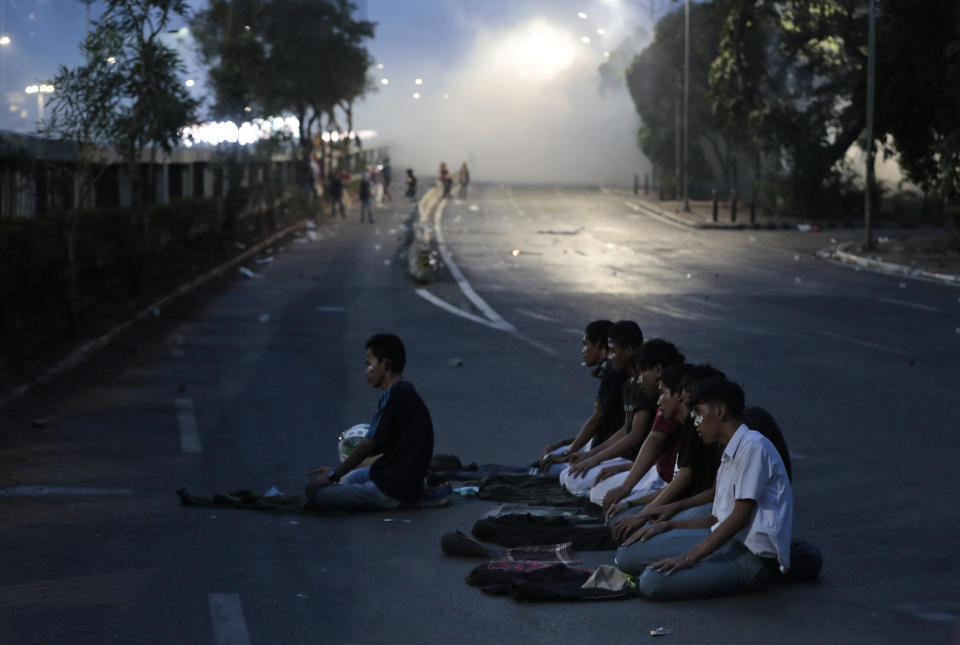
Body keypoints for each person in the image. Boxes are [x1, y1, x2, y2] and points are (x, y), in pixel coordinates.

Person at [613, 378, 793, 600]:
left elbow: (739, 518)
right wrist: (668, 526)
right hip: (726, 540)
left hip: (751, 558)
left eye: (698, 412)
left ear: (719, 411)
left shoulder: (753, 447)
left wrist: (687, 558)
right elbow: (717, 518)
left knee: (652, 581)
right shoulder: (729, 451)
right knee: (627, 556)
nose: (695, 421)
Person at [305, 334, 436, 511]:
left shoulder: (394, 395)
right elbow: (384, 452)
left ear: (385, 364)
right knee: (348, 479)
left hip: (392, 490)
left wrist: (332, 475)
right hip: (404, 479)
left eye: (369, 364)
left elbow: (369, 444)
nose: (366, 370)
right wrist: (337, 473)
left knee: (315, 493)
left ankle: (390, 500)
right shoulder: (405, 391)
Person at [558, 321, 646, 497]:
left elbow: (635, 435)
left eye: (613, 351)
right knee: (568, 475)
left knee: (574, 479)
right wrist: (590, 456)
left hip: (637, 463)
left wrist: (591, 457)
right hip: (626, 459)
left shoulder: (645, 387)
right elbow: (626, 430)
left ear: (628, 350)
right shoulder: (630, 384)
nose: (610, 357)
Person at [538, 320, 624, 477]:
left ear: (599, 344)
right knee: (548, 457)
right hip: (599, 445)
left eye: (586, 344)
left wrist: (568, 452)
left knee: (550, 468)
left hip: (607, 450)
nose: (583, 351)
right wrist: (564, 445)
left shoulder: (614, 373)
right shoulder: (610, 371)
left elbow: (596, 422)